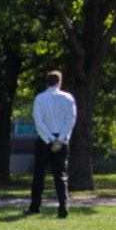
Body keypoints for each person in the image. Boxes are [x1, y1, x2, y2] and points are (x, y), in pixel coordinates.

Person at [29, 70, 78, 218]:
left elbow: (39, 121)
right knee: (61, 175)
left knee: (39, 174)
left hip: (45, 139)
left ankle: (35, 206)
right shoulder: (68, 98)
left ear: (46, 83)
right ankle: (63, 207)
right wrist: (60, 139)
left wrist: (50, 139)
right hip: (61, 138)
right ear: (60, 82)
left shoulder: (40, 98)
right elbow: (70, 119)